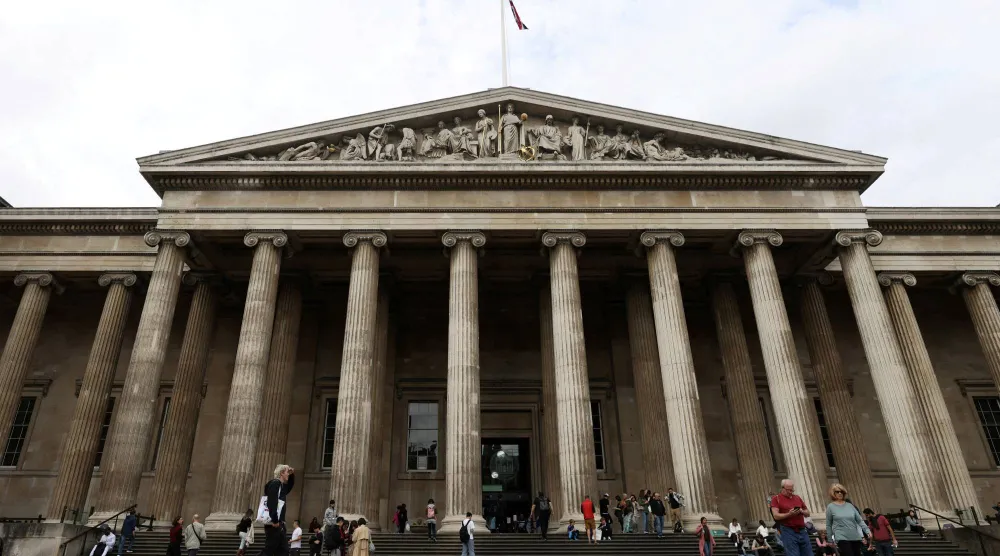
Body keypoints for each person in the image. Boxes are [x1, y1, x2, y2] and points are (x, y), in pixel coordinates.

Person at [770, 478, 812, 556]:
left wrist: (801, 511)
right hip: (788, 531)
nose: (791, 492)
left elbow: (808, 513)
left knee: (809, 554)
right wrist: (789, 514)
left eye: (792, 490)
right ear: (782, 488)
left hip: (802, 530)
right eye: (788, 490)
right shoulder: (776, 499)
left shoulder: (797, 498)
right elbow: (776, 516)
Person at [825, 483, 869, 556]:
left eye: (841, 491)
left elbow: (859, 520)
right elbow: (828, 524)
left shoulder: (850, 506)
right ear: (833, 493)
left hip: (854, 536)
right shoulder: (830, 507)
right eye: (837, 491)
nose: (840, 493)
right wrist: (829, 539)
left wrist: (867, 530)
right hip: (841, 536)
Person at [263, 464, 295, 555]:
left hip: (279, 523)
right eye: (286, 472)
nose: (288, 474)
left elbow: (289, 487)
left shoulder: (280, 486)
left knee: (283, 551)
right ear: (281, 473)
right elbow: (271, 502)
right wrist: (275, 520)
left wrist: (292, 474)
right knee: (269, 550)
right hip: (275, 524)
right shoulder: (275, 484)